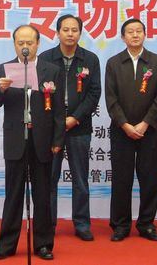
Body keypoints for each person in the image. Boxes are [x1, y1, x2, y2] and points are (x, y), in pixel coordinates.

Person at [0, 25, 65, 261]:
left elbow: (59, 110)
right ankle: (6, 245)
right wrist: (0, 89)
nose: (25, 47)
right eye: (20, 42)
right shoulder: (3, 69)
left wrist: (58, 139)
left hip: (42, 140)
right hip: (16, 139)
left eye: (30, 42)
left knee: (42, 195)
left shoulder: (51, 70)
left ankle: (43, 244)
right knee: (13, 195)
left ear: (38, 43)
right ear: (14, 44)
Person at [104, 18, 157, 242]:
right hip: (121, 130)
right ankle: (120, 225)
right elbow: (110, 98)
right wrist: (125, 124)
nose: (135, 35)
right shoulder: (114, 63)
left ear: (145, 34)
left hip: (149, 130)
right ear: (123, 37)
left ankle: (146, 224)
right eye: (130, 32)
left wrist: (146, 122)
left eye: (139, 31)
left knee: (150, 179)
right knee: (121, 179)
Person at [39, 15, 101, 241]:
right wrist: (55, 121)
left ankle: (82, 224)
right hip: (50, 129)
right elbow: (38, 93)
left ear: (80, 33)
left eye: (74, 30)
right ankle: (48, 224)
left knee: (80, 179)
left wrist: (75, 117)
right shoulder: (45, 58)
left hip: (79, 127)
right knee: (49, 179)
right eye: (65, 29)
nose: (70, 34)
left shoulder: (90, 59)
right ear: (57, 33)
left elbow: (94, 93)